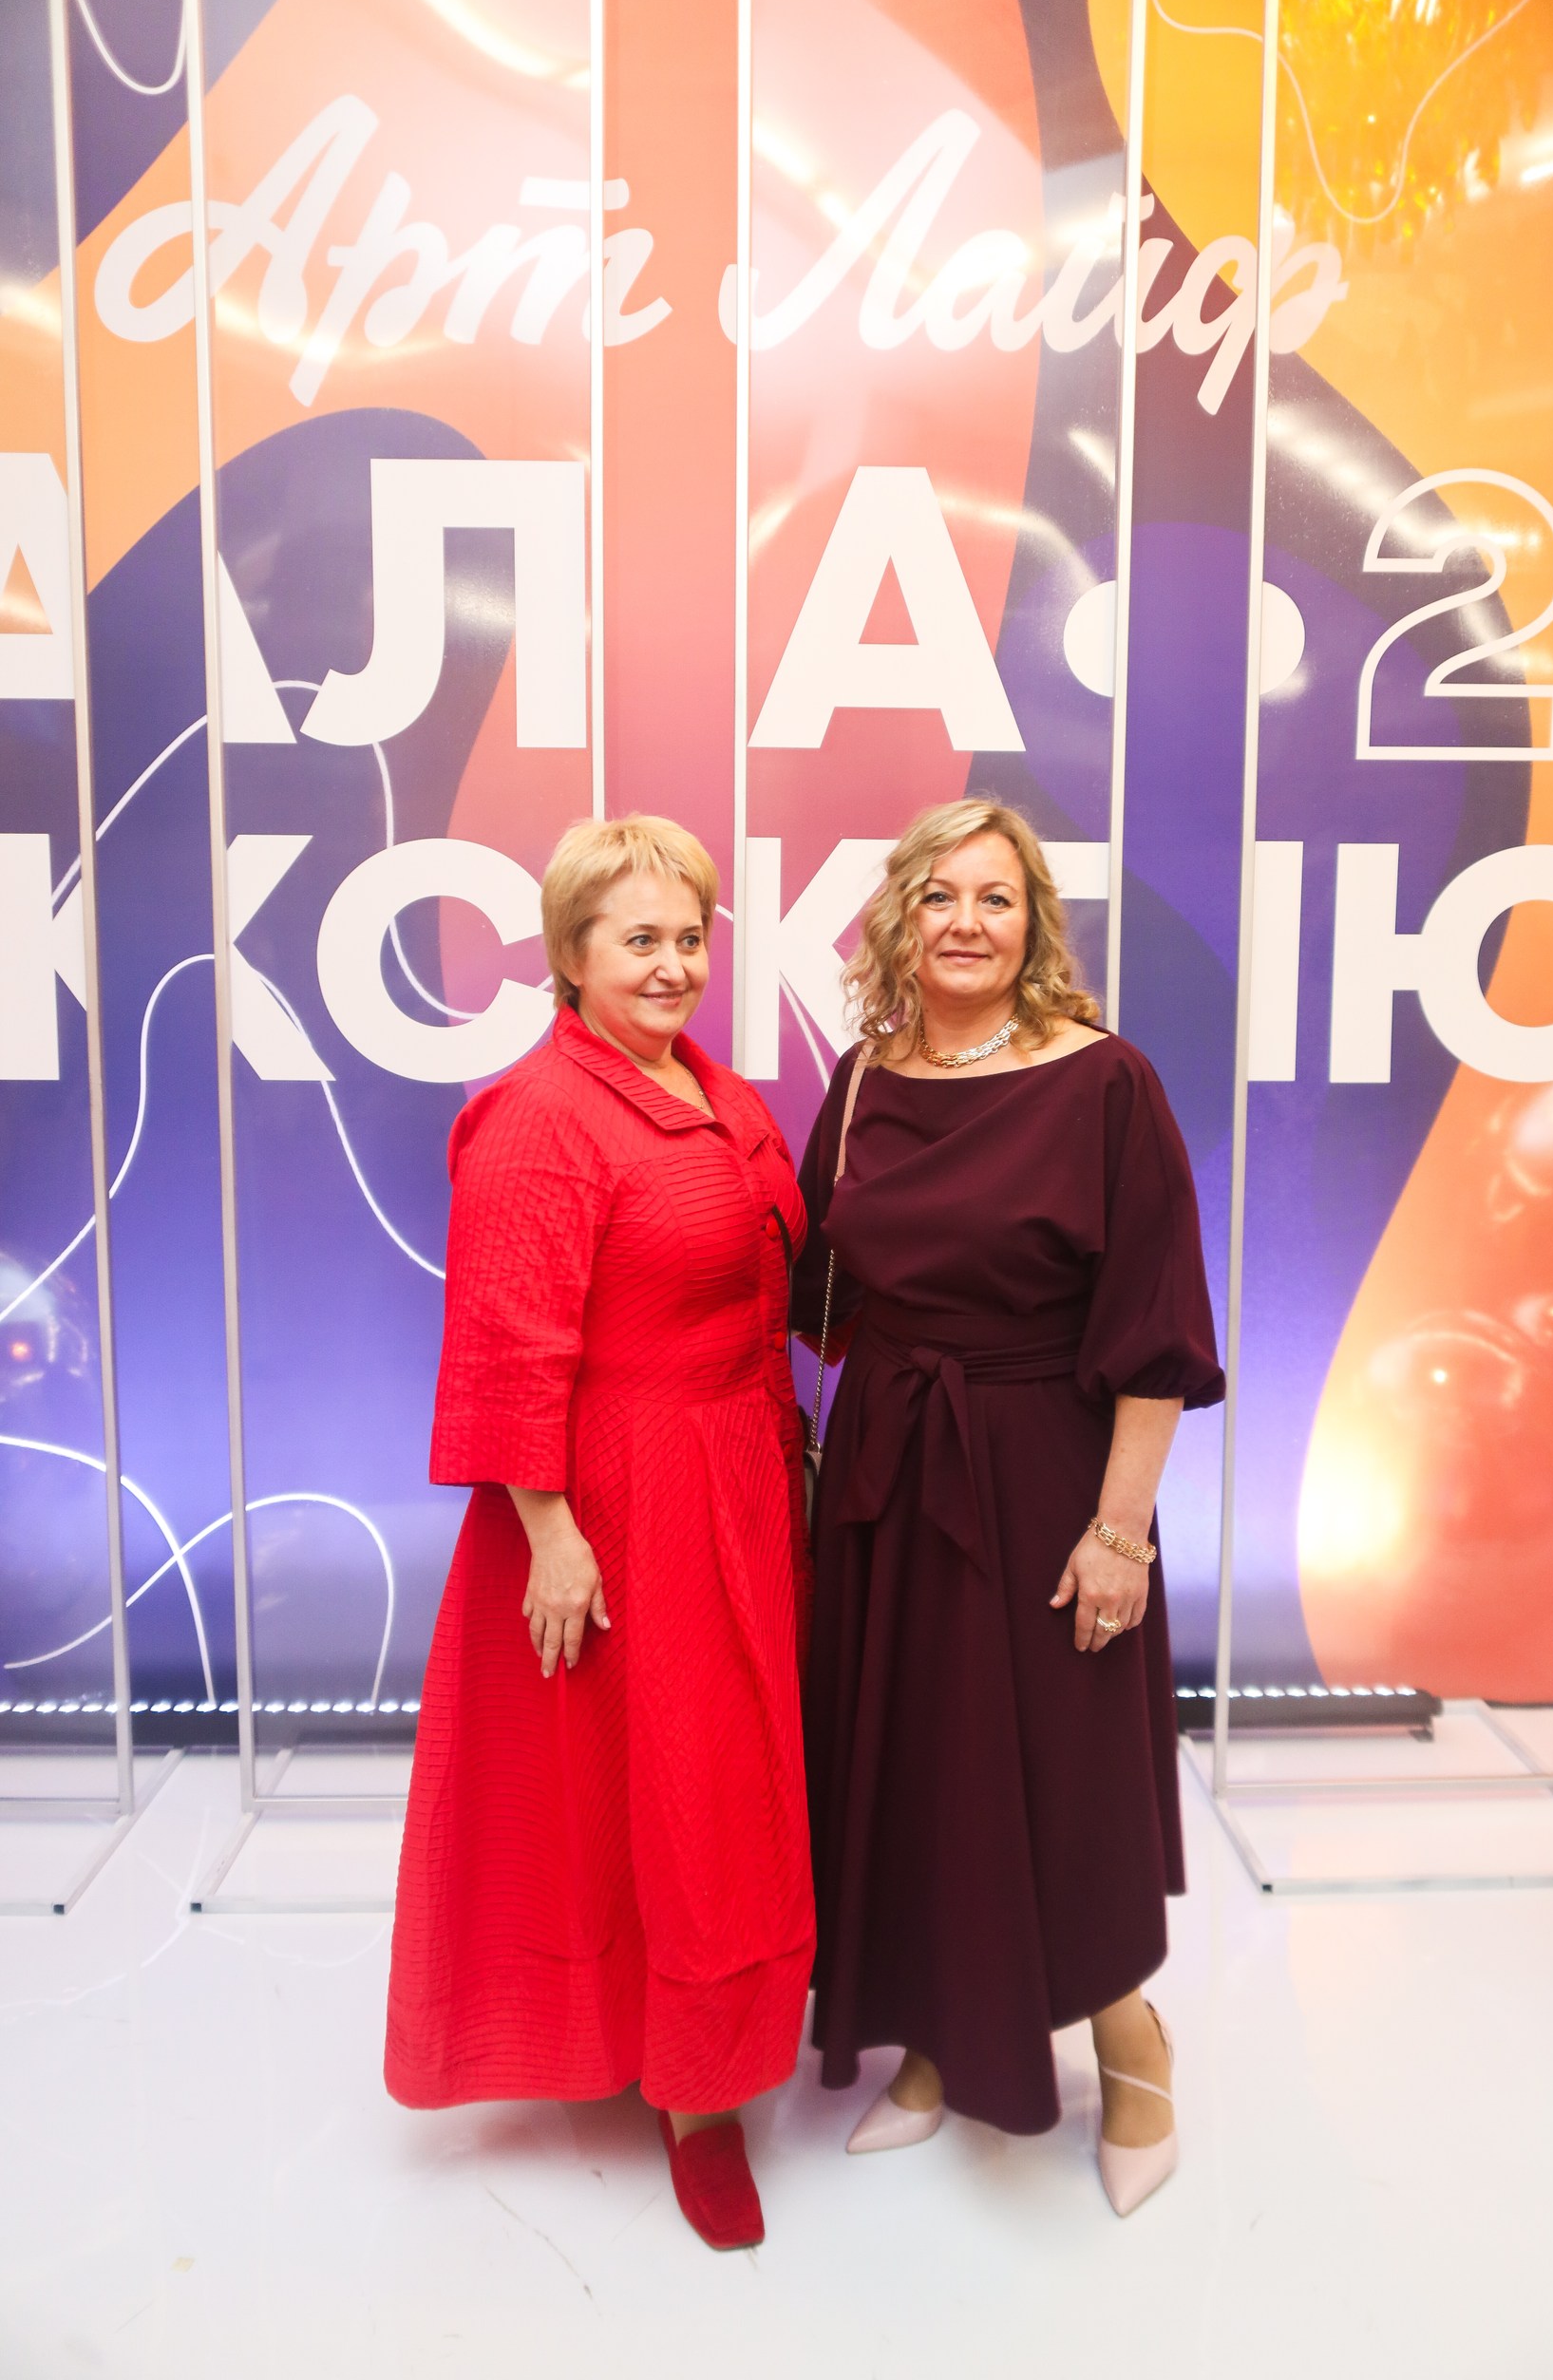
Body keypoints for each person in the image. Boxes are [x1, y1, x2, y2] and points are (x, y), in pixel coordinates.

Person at [386, 815, 814, 2252]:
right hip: (622, 1499)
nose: (674, 964)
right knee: (679, 1795)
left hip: (739, 1469)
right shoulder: (539, 1116)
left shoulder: (715, 1088)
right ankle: (698, 2102)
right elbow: (504, 1342)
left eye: (690, 936)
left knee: (726, 1781)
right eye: (640, 939)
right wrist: (551, 1534)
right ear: (571, 955)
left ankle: (713, 2040)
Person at [794, 798, 1222, 2217]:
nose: (966, 923)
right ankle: (936, 2039)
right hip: (890, 1466)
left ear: (1033, 921)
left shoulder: (1106, 1082)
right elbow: (819, 1290)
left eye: (996, 897)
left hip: (1048, 1470)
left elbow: (1156, 1335)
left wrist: (1120, 1532)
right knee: (914, 1762)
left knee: (1062, 1772)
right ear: (898, 919)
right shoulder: (863, 1076)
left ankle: (1130, 2043)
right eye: (939, 896)